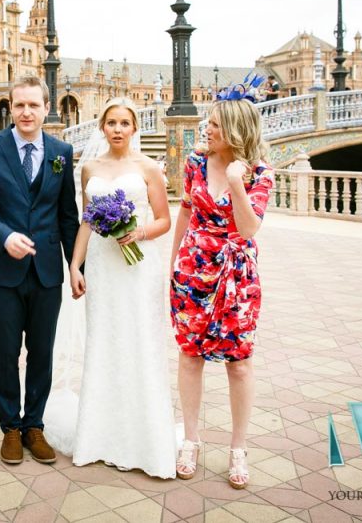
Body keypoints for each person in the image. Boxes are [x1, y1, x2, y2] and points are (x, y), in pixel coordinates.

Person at [0, 74, 79, 466]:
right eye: (20, 105)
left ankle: (35, 425)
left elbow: (68, 216)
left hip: (47, 270)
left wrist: (75, 265)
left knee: (42, 351)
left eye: (34, 105)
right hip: (1, 270)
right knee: (5, 351)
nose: (26, 112)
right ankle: (10, 428)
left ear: (47, 108)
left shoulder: (62, 151)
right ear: (10, 107)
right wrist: (4, 236)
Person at [169, 77, 274, 489]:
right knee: (189, 356)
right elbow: (185, 211)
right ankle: (191, 440)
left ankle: (238, 448)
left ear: (233, 130)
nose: (206, 130)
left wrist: (235, 182)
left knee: (240, 364)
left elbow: (249, 229)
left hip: (236, 276)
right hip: (193, 269)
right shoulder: (195, 163)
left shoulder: (260, 173)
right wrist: (174, 262)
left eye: (213, 124)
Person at [62, 97, 176, 478]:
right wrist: (75, 266)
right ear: (101, 127)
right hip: (101, 266)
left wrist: (138, 232)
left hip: (138, 266)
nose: (117, 129)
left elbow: (164, 220)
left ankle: (144, 439)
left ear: (134, 128)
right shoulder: (90, 168)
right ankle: (99, 436)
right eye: (111, 122)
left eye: (124, 123)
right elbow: (86, 221)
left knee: (139, 343)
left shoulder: (148, 168)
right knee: (104, 342)